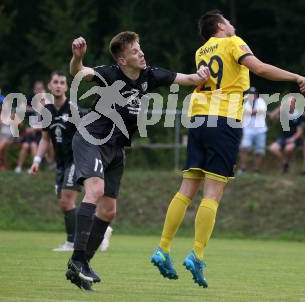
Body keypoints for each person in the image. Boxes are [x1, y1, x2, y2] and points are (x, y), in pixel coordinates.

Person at [150, 10, 305, 288]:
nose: (232, 25)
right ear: (221, 27)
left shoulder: (202, 51)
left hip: (198, 120)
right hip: (224, 121)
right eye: (228, 21)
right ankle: (197, 254)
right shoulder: (233, 42)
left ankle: (163, 248)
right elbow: (259, 68)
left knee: (186, 189)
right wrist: (295, 76)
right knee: (213, 192)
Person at [65, 31, 210, 290]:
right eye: (134, 51)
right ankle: (76, 259)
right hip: (91, 139)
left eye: (139, 48)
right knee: (95, 190)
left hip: (117, 149)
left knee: (109, 211)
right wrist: (77, 57)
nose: (141, 53)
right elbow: (78, 73)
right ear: (122, 60)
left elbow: (186, 78)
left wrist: (201, 76)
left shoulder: (149, 75)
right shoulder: (109, 74)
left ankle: (83, 264)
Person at [29, 72, 112, 256]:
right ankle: (101, 229)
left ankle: (71, 242)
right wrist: (36, 160)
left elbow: (86, 134)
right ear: (50, 86)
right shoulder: (47, 112)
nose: (58, 85)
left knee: (67, 199)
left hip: (76, 159)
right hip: (61, 162)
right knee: (65, 204)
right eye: (55, 82)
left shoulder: (72, 109)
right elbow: (44, 139)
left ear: (66, 87)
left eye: (62, 83)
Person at [268, 96, 304, 173]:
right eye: (288, 102)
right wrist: (279, 107)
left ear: (295, 104)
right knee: (272, 148)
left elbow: (300, 131)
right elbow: (271, 117)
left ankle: (286, 165)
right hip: (283, 137)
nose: (289, 104)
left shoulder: (298, 114)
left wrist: (292, 139)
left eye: (291, 102)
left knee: (288, 149)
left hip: (294, 138)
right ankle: (285, 163)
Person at [238, 87, 268, 173]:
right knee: (244, 148)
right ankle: (243, 168)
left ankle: (256, 170)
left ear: (256, 94)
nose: (252, 95)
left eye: (253, 93)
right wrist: (255, 112)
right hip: (247, 130)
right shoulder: (244, 102)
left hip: (260, 130)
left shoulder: (261, 101)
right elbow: (244, 111)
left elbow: (262, 111)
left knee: (259, 151)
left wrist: (251, 112)